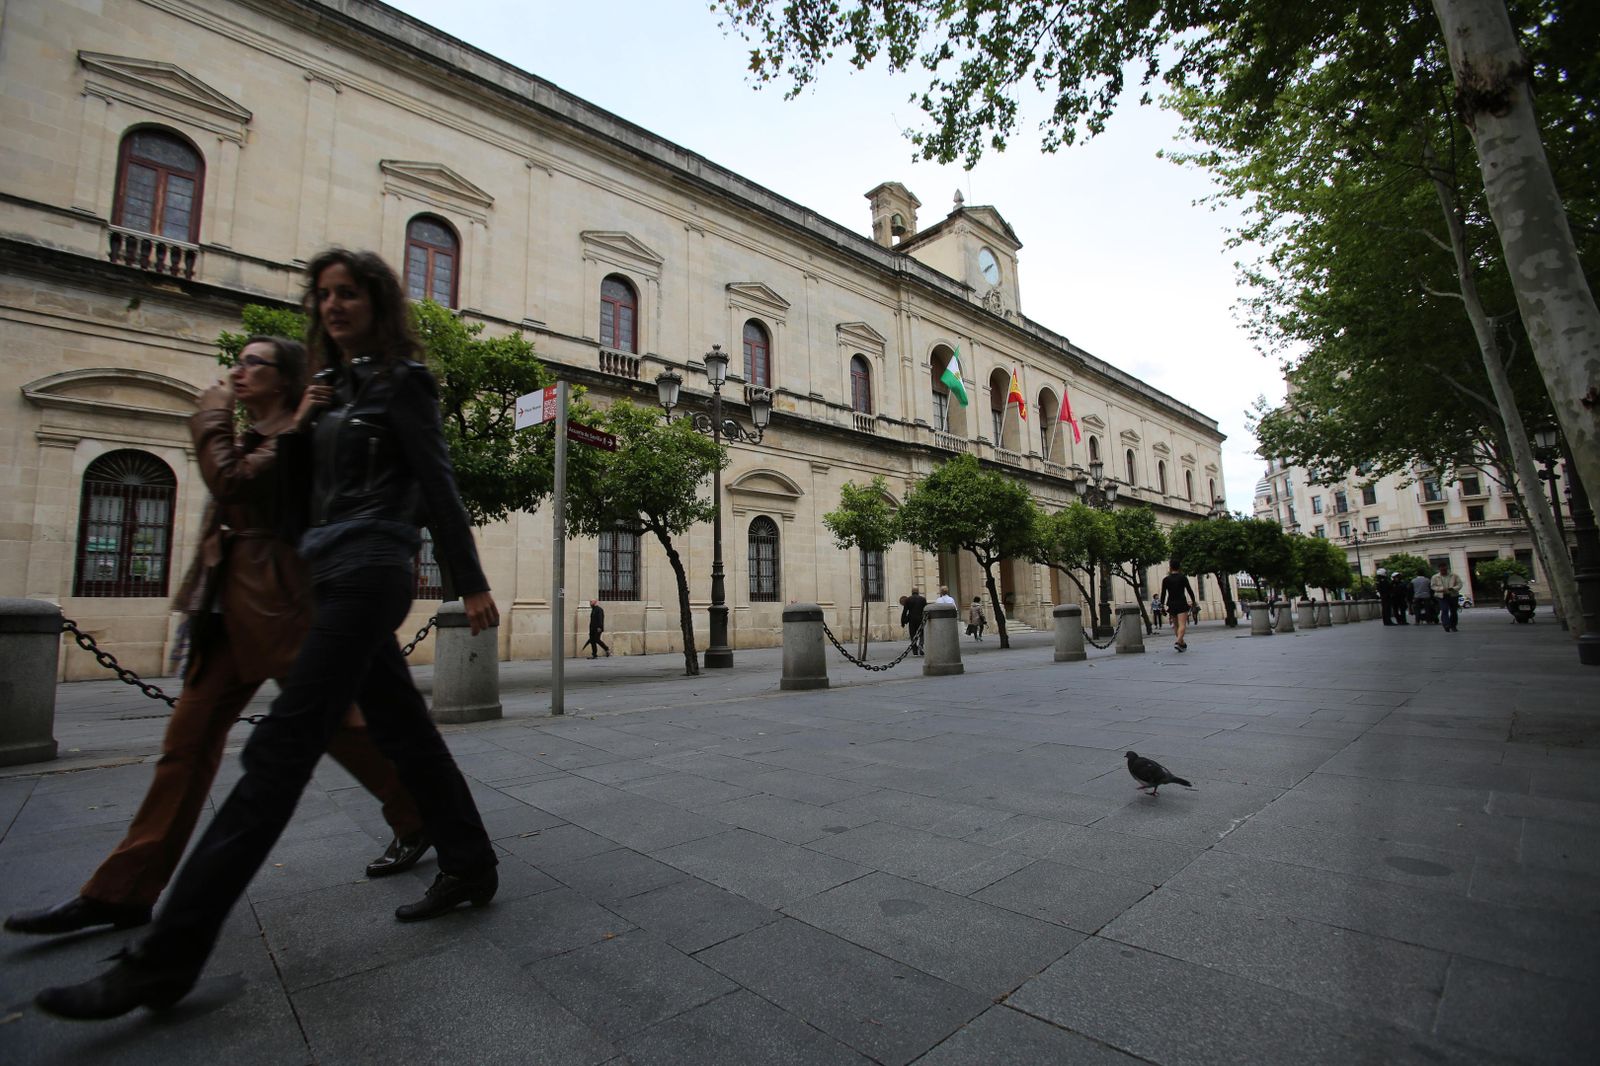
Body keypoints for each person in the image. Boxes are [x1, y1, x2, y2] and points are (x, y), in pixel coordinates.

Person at [36, 250, 502, 1020]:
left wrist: (470, 579)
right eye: (322, 295)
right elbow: (289, 499)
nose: (332, 306)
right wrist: (303, 424)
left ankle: (166, 958)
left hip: (372, 568)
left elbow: (438, 481)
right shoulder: (329, 392)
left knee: (280, 748)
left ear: (379, 303)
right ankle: (470, 862)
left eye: (349, 294)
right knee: (403, 728)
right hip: (325, 573)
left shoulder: (403, 384)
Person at [6, 337, 429, 939]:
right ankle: (124, 888)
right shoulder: (264, 431)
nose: (237, 370)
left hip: (280, 602)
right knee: (187, 744)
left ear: (283, 379)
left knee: (344, 730)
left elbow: (231, 484)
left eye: (253, 363)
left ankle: (418, 813)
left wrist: (210, 416)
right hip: (226, 606)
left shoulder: (304, 433)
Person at [1159, 560, 1197, 652]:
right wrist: (1193, 601)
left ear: (1170, 567)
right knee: (1182, 624)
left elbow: (1163, 594)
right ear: (1179, 567)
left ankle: (1182, 644)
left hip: (1171, 604)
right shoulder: (1183, 578)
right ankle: (1178, 641)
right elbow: (1189, 590)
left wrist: (1162, 606)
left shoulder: (1166, 580)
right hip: (1181, 603)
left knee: (1176, 626)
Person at [1432, 562, 1463, 632]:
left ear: (1447, 568)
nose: (1443, 571)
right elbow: (1433, 586)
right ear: (1439, 569)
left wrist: (1454, 588)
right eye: (1442, 569)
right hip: (1441, 596)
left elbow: (1460, 584)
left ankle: (1453, 625)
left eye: (1444, 569)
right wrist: (1440, 589)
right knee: (1444, 609)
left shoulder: (1454, 576)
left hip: (1453, 595)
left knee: (1453, 611)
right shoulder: (1435, 577)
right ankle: (1446, 624)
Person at [900, 587, 927, 655]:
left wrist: (903, 622)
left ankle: (915, 650)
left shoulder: (908, 599)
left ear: (912, 592)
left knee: (913, 634)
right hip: (920, 619)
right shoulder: (923, 599)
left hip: (911, 619)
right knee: (921, 633)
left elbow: (905, 611)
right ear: (918, 592)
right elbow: (925, 610)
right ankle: (921, 644)